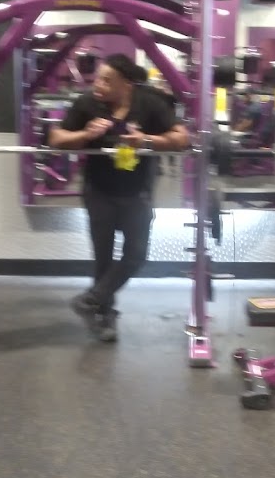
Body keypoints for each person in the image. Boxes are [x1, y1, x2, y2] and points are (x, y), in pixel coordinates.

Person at [49, 54, 190, 341]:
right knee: (103, 258)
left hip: (136, 193)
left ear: (126, 84)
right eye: (98, 78)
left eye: (107, 80)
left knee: (136, 254)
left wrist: (147, 140)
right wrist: (85, 135)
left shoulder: (150, 103)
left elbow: (181, 138)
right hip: (99, 192)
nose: (98, 85)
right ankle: (104, 316)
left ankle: (91, 300)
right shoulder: (87, 104)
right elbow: (56, 140)